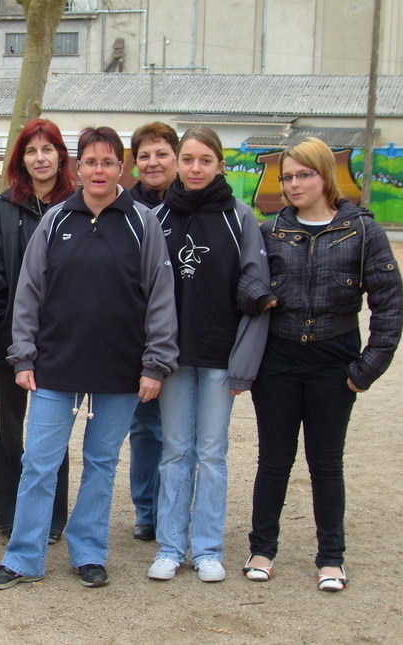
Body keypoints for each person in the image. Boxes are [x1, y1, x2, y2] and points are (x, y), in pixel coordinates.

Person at [0, 127, 178, 590]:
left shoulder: (142, 222)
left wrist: (155, 364)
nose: (99, 171)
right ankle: (23, 557)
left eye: (108, 163)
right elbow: (28, 292)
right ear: (79, 167)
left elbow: (161, 298)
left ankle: (88, 552)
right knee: (39, 461)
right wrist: (22, 356)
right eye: (91, 162)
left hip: (121, 367)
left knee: (101, 462)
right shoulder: (55, 221)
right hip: (54, 363)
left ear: (121, 168)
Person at [243, 137, 403, 591]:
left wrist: (366, 368)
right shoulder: (269, 231)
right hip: (278, 359)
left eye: (304, 174)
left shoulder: (361, 231)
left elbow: (390, 302)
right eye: (288, 177)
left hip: (335, 359)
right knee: (273, 460)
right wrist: (257, 295)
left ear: (324, 176)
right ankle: (262, 548)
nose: (294, 184)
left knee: (326, 462)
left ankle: (331, 557)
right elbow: (242, 283)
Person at [147, 126, 271, 583]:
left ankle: (207, 548)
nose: (195, 168)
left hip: (221, 356)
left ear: (219, 164)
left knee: (212, 452)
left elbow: (256, 291)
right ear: (177, 163)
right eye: (188, 159)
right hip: (173, 358)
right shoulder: (157, 218)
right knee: (175, 451)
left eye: (205, 160)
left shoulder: (240, 219)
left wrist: (245, 364)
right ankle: (170, 546)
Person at [0, 118, 76, 543]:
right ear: (20, 160)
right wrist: (5, 335)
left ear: (60, 156)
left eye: (47, 150)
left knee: (53, 432)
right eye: (31, 151)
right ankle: (10, 514)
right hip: (9, 344)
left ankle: (52, 518)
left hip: (63, 344)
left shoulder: (78, 207)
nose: (40, 158)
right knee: (11, 430)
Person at [126, 121, 179, 542]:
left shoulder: (193, 206)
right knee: (145, 429)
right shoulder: (125, 209)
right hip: (140, 340)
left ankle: (177, 509)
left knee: (182, 435)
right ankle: (148, 510)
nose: (153, 162)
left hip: (191, 337)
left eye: (161, 153)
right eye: (144, 155)